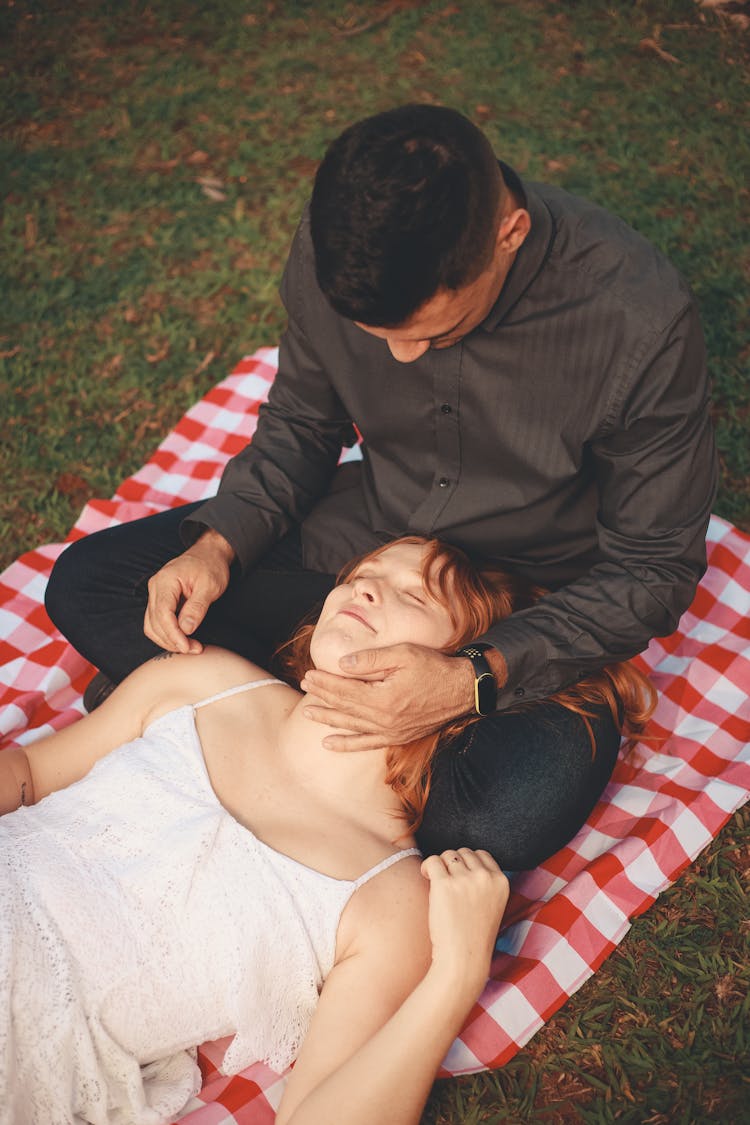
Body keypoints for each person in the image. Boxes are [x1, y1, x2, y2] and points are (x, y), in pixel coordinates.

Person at [44, 104, 716, 871]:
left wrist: (470, 681)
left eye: (432, 333)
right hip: (369, 540)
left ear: (511, 233)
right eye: (378, 336)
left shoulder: (638, 318)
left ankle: (209, 708)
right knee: (92, 584)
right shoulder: (337, 252)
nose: (401, 359)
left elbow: (652, 568)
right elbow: (301, 421)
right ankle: (307, 741)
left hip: (529, 595)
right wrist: (220, 544)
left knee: (501, 817)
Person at [1, 537, 652, 1124]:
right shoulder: (202, 680)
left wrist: (456, 974)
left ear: (454, 677)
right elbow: (29, 773)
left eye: (412, 594)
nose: (367, 587)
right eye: (364, 572)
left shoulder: (386, 899)